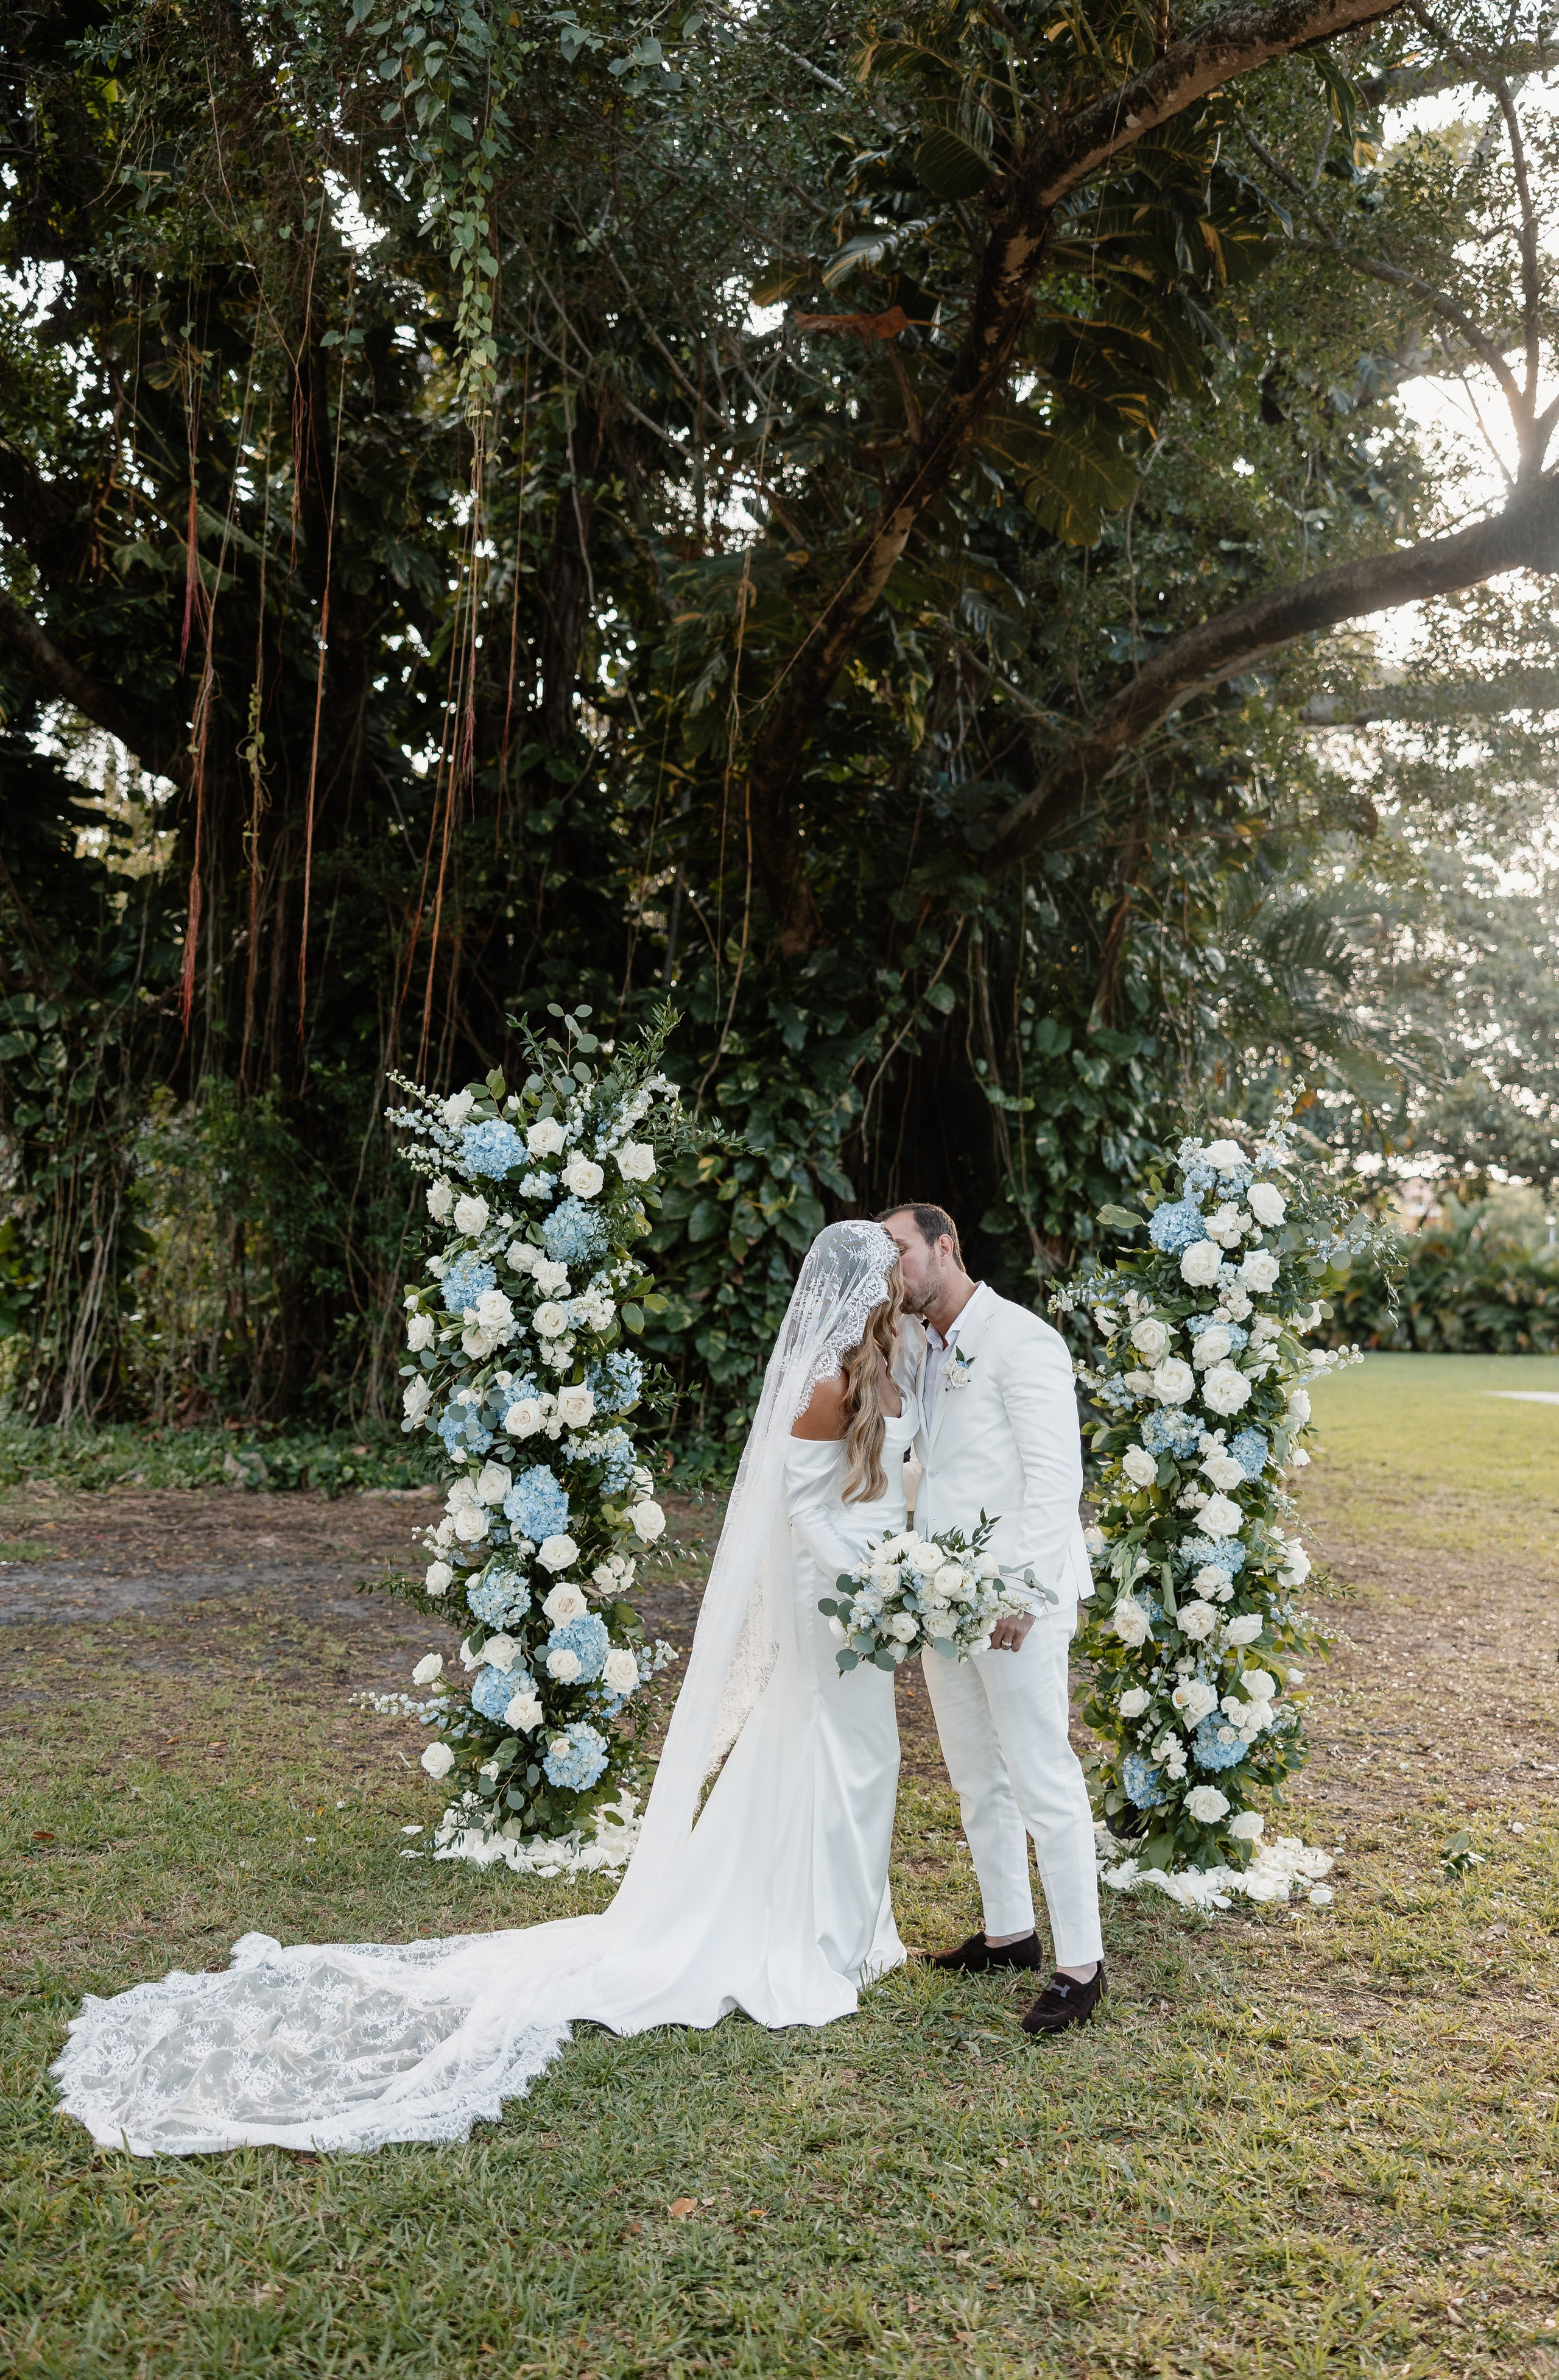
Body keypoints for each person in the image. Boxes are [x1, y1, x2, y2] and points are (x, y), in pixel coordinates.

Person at [52, 1222, 919, 2156]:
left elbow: (876, 1489)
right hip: (835, 1594)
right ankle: (809, 1937)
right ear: (864, 1285)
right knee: (833, 1743)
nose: (902, 1277)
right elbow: (800, 1514)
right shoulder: (820, 1385)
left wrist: (897, 1564)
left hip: (867, 1594)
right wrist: (877, 1580)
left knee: (865, 1749)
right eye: (890, 1267)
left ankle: (850, 1925)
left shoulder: (884, 1368)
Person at [878, 1202, 1105, 2036]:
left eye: (898, 1251)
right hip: (946, 1596)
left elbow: (1054, 1485)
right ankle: (1010, 1931)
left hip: (1015, 1603)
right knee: (976, 1773)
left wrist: (1027, 1597)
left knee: (1042, 1773)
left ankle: (1082, 1964)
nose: (890, 1269)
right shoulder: (917, 1347)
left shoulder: (1023, 1341)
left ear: (947, 1245)